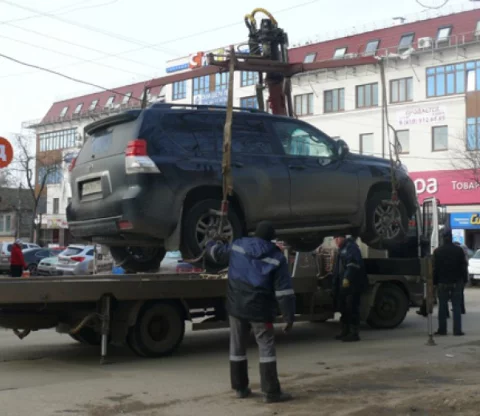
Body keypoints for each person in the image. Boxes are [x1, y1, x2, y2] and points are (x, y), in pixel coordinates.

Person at [206, 221, 295, 403]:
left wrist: (211, 242)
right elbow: (284, 292)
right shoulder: (277, 257)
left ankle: (240, 388)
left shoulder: (239, 245)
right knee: (266, 347)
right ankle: (271, 392)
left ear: (255, 234)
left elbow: (216, 254)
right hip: (260, 310)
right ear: (272, 238)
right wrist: (289, 317)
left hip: (236, 306)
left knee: (237, 347)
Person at [332, 233, 368, 342]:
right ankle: (345, 331)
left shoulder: (351, 247)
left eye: (338, 238)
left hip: (352, 285)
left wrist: (347, 278)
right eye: (335, 239)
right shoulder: (341, 249)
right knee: (344, 309)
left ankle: (354, 333)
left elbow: (352, 264)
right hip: (343, 286)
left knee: (352, 309)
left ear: (343, 237)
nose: (336, 240)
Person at [434, 229, 468, 336]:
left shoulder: (437, 251)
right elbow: (463, 266)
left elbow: (435, 269)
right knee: (456, 307)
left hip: (442, 282)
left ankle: (442, 330)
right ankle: (457, 330)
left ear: (443, 238)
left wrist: (435, 282)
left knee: (442, 307)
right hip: (456, 282)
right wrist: (465, 280)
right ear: (451, 238)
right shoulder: (459, 250)